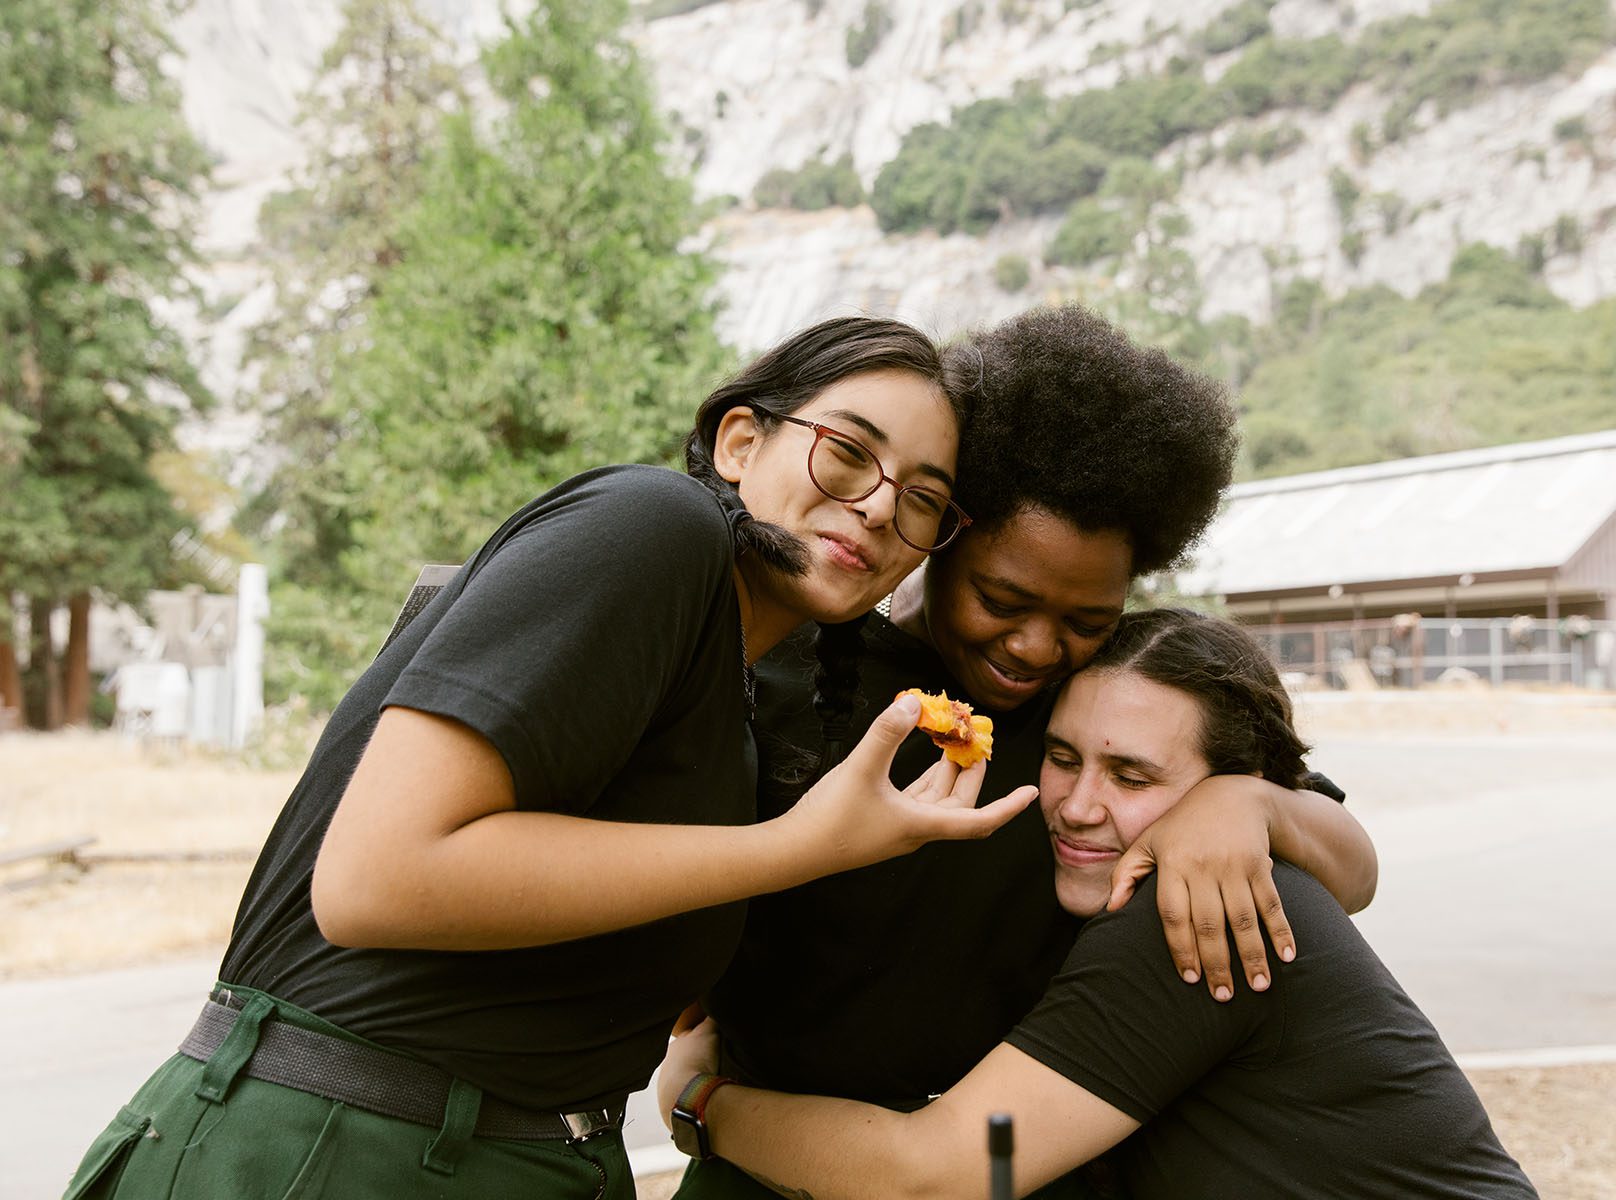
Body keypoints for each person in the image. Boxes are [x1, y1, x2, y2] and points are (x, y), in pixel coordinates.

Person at [61, 317, 1040, 1200]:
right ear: (740, 442)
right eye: (848, 454)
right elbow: (376, 878)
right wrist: (806, 846)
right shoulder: (658, 526)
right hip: (345, 1147)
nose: (877, 508)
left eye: (922, 500)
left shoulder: (726, 715)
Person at [679, 307, 1380, 1200]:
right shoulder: (790, 663)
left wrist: (1249, 804)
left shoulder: (1106, 715)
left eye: (1086, 620)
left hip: (1000, 1167)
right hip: (775, 1164)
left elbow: (1351, 873)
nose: (1037, 648)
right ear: (939, 531)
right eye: (1001, 599)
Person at [659, 607, 1539, 1199]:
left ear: (1230, 786)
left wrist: (700, 1103)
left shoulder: (1191, 913)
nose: (1077, 805)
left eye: (1133, 775)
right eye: (1065, 756)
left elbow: (932, 1177)